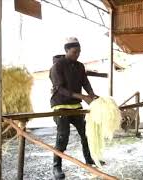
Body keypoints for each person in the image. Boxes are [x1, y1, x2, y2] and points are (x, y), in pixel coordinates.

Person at [49, 37, 98, 179]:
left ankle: (89, 159)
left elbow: (85, 82)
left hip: (75, 106)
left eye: (79, 52)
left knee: (86, 132)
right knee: (63, 135)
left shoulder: (80, 66)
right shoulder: (57, 66)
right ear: (66, 51)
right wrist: (83, 97)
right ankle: (56, 167)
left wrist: (92, 95)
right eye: (75, 52)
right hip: (60, 105)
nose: (77, 54)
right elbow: (60, 89)